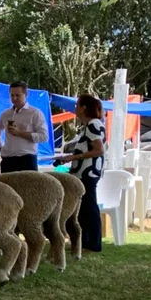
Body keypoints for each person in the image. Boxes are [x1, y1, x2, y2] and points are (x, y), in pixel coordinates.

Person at [58, 94, 105, 253]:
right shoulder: (89, 125)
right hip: (82, 172)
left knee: (89, 207)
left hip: (88, 172)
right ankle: (84, 241)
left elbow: (98, 150)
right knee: (83, 208)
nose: (75, 108)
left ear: (84, 107)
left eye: (77, 105)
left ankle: (93, 243)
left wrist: (75, 156)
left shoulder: (93, 124)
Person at [0, 81, 48, 172]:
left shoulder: (35, 113)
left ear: (26, 94)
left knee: (29, 186)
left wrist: (20, 133)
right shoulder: (5, 114)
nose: (14, 98)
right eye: (12, 95)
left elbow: (44, 137)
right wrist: (1, 149)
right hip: (8, 160)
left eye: (18, 95)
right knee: (6, 186)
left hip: (27, 159)